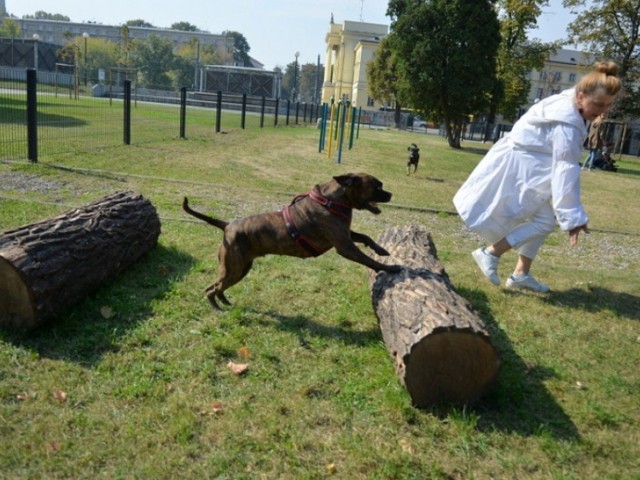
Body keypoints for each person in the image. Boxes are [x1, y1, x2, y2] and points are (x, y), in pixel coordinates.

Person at [453, 61, 622, 292]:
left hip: (524, 167)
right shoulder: (568, 123)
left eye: (607, 106)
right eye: (598, 104)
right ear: (581, 97)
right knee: (545, 221)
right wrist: (573, 217)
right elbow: (566, 168)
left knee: (545, 221)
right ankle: (491, 253)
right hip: (521, 171)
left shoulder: (568, 102)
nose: (602, 111)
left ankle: (520, 273)